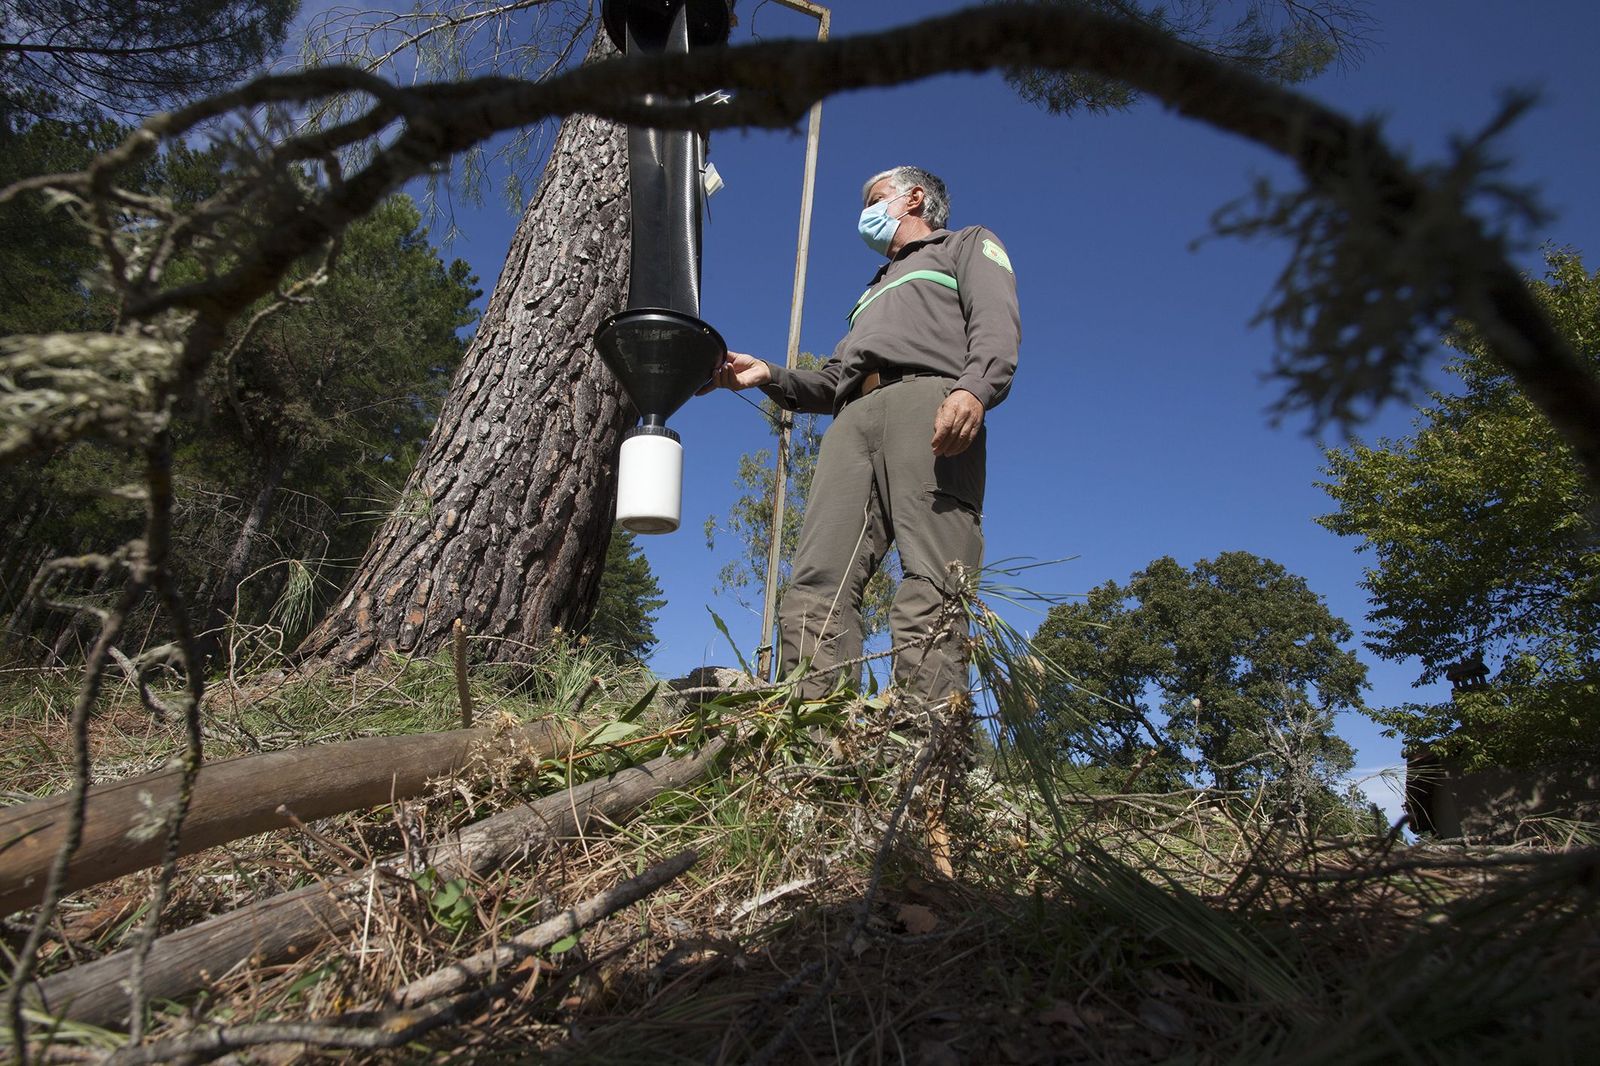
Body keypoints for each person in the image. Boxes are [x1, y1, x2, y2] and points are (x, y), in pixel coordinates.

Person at [703, 165, 1021, 705]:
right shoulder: (871, 292)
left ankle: (928, 741)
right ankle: (814, 736)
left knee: (935, 573)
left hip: (929, 402)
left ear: (914, 199)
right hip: (850, 420)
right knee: (814, 579)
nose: (864, 215)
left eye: (875, 200)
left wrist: (974, 389)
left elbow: (995, 322)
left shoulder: (965, 245)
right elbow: (832, 381)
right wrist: (769, 375)